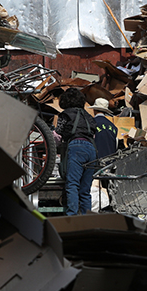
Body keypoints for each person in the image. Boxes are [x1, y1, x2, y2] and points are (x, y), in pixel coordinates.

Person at [56, 88, 97, 216]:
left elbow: (58, 134)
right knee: (85, 190)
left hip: (76, 147)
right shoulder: (89, 116)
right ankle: (87, 219)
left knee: (72, 185)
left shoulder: (65, 114)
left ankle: (72, 217)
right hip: (91, 149)